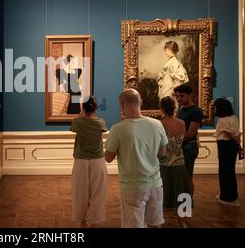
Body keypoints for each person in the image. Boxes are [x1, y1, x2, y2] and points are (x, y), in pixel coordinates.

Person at [105, 89, 168, 228]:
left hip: (132, 187)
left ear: (122, 105)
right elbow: (162, 152)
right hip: (155, 184)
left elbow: (108, 158)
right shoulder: (157, 124)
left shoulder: (118, 129)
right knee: (155, 224)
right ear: (141, 102)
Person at [70, 96, 108, 227]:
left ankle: (82, 222)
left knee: (80, 193)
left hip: (81, 161)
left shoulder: (77, 122)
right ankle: (95, 222)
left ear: (84, 108)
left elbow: (74, 125)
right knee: (98, 193)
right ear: (95, 108)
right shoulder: (101, 122)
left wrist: (82, 113)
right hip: (98, 160)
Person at [159, 96, 191, 227]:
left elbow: (158, 145)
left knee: (161, 194)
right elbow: (181, 142)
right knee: (182, 193)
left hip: (164, 163)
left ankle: (158, 221)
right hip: (179, 162)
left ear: (162, 108)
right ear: (174, 108)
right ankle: (181, 223)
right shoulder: (182, 123)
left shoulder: (159, 124)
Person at [174, 84, 203, 197]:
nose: (179, 98)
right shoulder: (181, 109)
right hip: (181, 146)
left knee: (187, 176)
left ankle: (187, 203)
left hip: (189, 147)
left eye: (182, 96)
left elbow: (190, 134)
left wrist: (174, 141)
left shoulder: (196, 111)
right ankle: (183, 202)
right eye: (177, 96)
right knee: (182, 176)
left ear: (190, 95)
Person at [214, 98, 241, 207]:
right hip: (231, 147)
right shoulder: (234, 118)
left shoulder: (223, 120)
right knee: (230, 171)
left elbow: (229, 134)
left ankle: (228, 198)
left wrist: (234, 138)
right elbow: (235, 134)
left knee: (225, 172)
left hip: (225, 146)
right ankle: (230, 196)